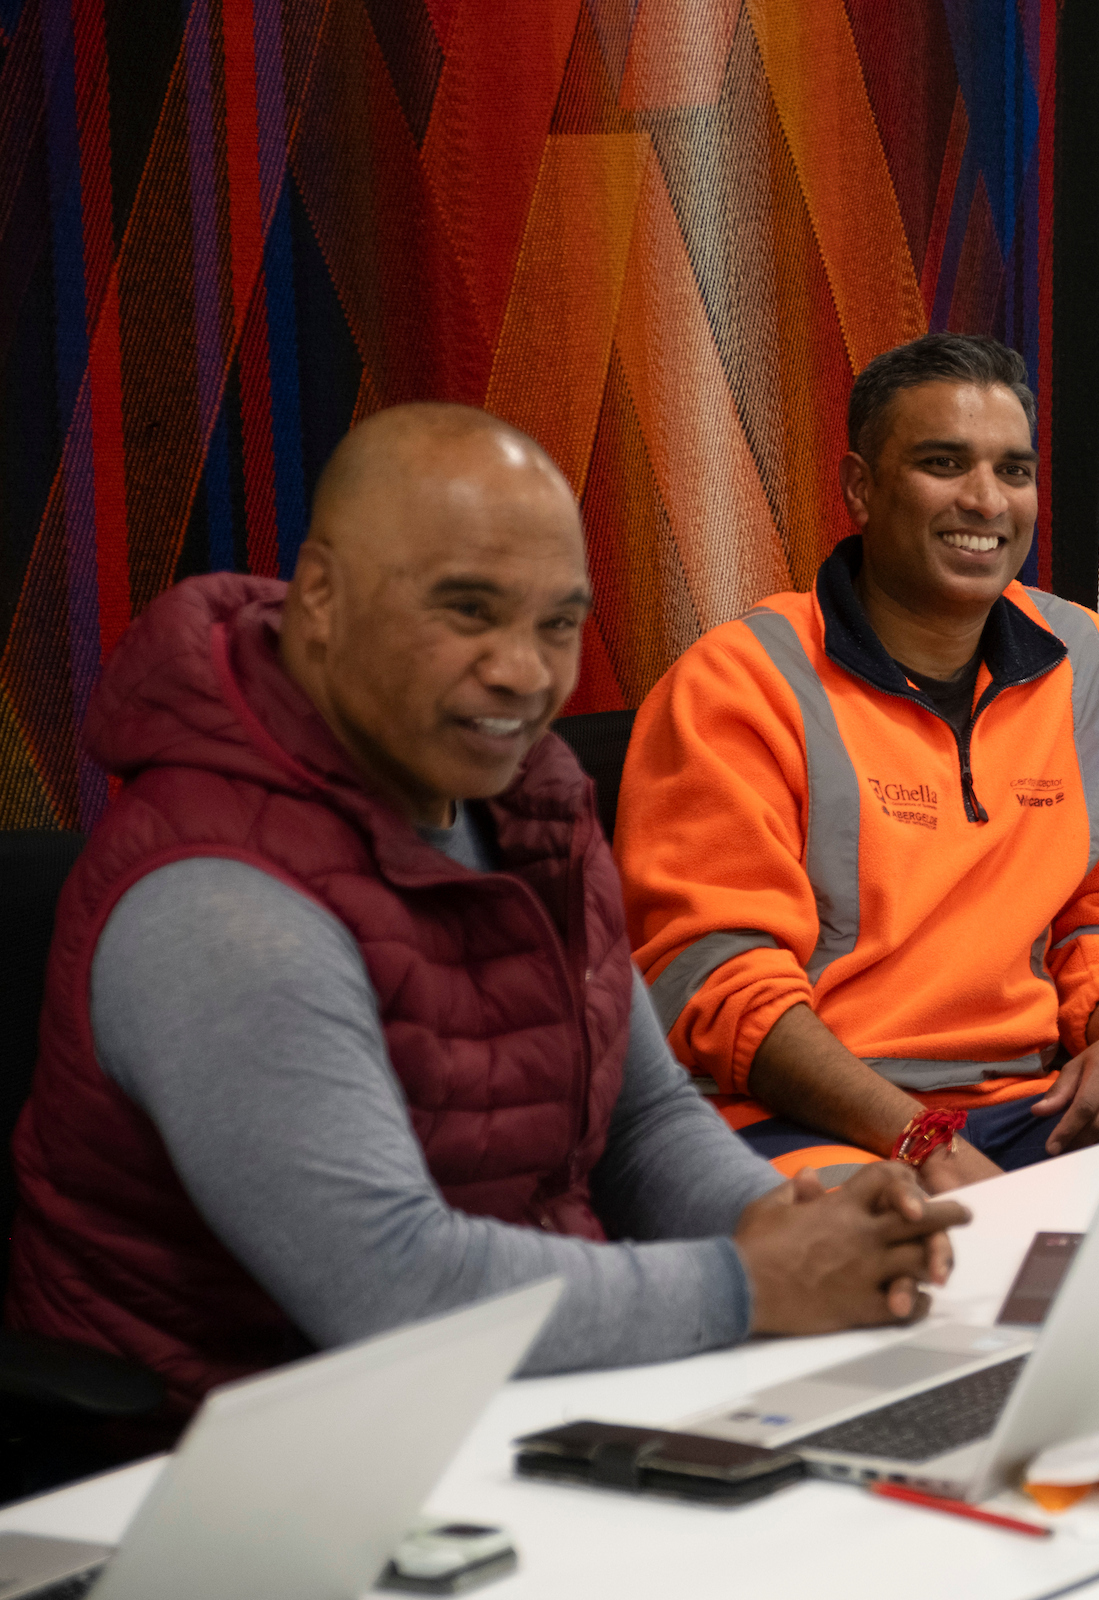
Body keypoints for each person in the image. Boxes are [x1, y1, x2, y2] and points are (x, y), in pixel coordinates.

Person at [4, 404, 966, 1416]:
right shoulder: (217, 903)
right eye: (468, 610)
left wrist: (811, 1229)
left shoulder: (527, 796)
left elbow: (641, 1123)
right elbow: (390, 1287)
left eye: (558, 623)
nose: (524, 670)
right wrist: (754, 1284)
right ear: (321, 597)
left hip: (517, 1390)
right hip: (228, 1458)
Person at [615, 334, 1099, 1195]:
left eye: (1014, 471)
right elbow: (717, 981)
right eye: (943, 463)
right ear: (860, 489)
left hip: (1035, 1105)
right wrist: (921, 1137)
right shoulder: (740, 684)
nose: (986, 500)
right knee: (938, 1276)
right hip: (803, 1121)